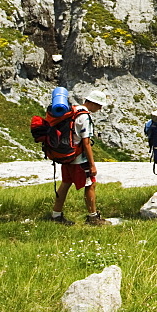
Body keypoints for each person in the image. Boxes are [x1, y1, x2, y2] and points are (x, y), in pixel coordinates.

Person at [51, 89, 111, 227]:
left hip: (66, 156)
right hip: (79, 159)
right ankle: (93, 218)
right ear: (93, 103)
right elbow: (86, 143)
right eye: (99, 105)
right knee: (90, 185)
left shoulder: (72, 111)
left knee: (65, 184)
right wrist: (92, 165)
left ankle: (56, 215)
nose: (100, 108)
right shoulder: (84, 117)